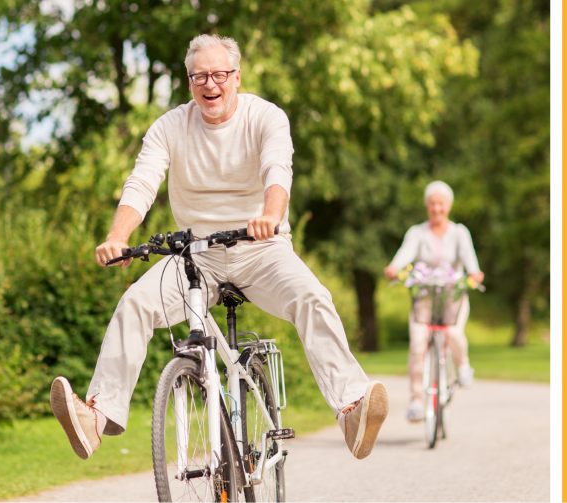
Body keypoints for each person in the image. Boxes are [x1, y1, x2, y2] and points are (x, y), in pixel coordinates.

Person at [49, 34, 388, 461]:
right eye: (199, 77)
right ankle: (96, 417)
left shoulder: (265, 117)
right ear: (189, 82)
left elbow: (277, 170)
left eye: (219, 75)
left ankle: (352, 408)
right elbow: (142, 182)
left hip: (261, 249)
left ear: (236, 77)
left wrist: (269, 214)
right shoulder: (170, 126)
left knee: (312, 297)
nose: (210, 84)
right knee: (134, 303)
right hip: (196, 256)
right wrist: (118, 236)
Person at [383, 181, 485, 422]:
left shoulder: (460, 232)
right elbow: (404, 254)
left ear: (448, 206)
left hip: (453, 297)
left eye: (441, 204)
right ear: (427, 206)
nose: (436, 208)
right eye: (432, 204)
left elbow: (471, 261)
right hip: (424, 298)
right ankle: (417, 400)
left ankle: (462, 367)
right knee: (418, 344)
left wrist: (475, 272)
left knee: (454, 333)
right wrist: (394, 267)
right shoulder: (417, 233)